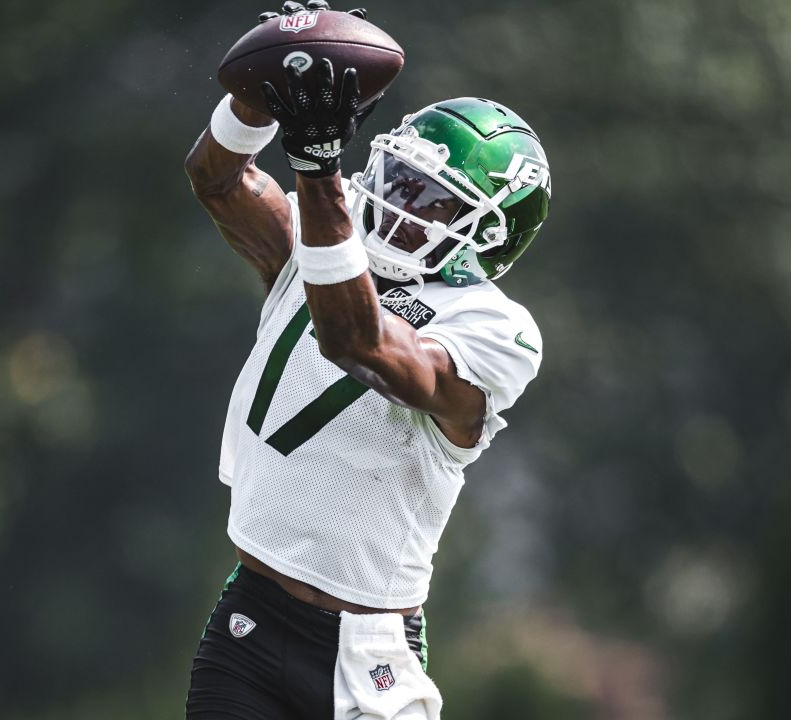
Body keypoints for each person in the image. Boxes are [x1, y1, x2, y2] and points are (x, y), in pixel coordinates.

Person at [182, 4, 550, 717]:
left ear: (487, 237)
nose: (394, 200)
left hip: (366, 661)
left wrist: (317, 167)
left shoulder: (494, 329)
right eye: (399, 176)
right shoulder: (332, 218)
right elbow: (217, 178)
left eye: (430, 198)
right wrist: (257, 98)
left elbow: (361, 343)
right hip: (249, 624)